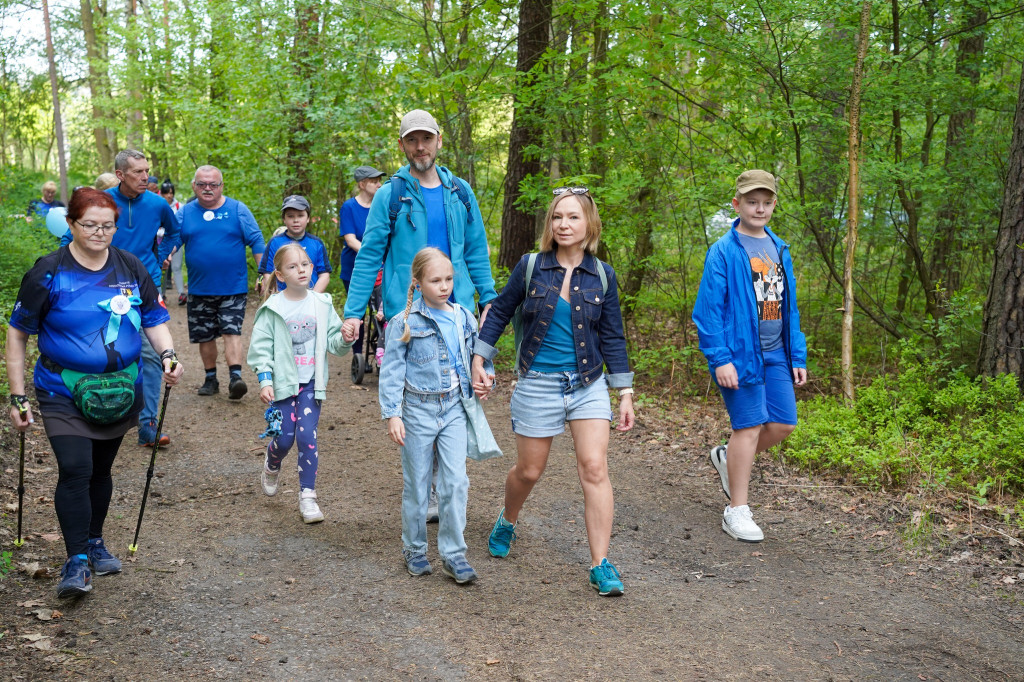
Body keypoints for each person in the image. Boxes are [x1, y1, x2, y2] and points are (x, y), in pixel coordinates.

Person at [6, 187, 184, 599]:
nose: (99, 232)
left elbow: (154, 318)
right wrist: (18, 396)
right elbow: (17, 334)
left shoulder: (130, 266)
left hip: (120, 390)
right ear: (70, 224)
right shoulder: (48, 272)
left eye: (107, 225)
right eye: (90, 225)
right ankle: (77, 561)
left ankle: (95, 540)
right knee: (75, 468)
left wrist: (169, 353)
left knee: (101, 471)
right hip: (61, 389)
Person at [471, 187, 635, 597]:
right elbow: (500, 312)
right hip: (538, 383)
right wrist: (480, 357)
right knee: (529, 471)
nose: (564, 224)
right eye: (558, 217)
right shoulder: (531, 268)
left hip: (587, 384)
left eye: (573, 217)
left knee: (594, 468)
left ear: (589, 224)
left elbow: (613, 336)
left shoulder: (602, 275)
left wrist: (625, 391)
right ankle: (508, 518)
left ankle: (600, 564)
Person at [692, 169, 808, 543]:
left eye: (766, 202)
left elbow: (789, 308)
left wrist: (797, 355)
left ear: (774, 205)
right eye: (752, 202)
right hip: (739, 354)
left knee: (784, 423)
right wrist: (719, 357)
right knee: (749, 426)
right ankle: (736, 510)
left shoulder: (779, 247)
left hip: (777, 353)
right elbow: (708, 312)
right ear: (736, 204)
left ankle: (730, 457)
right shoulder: (724, 251)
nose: (760, 208)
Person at [379, 247, 488, 584]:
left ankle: (454, 554)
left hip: (454, 408)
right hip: (416, 411)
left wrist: (485, 377)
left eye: (449, 279)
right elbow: (392, 372)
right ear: (418, 283)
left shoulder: (464, 317)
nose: (444, 286)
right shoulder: (404, 323)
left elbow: (477, 359)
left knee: (456, 482)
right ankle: (414, 548)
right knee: (418, 485)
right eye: (435, 280)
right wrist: (393, 415)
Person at [61, 150, 179, 448]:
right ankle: (99, 409)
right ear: (120, 175)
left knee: (152, 354)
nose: (145, 177)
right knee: (104, 349)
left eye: (147, 171)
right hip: (102, 290)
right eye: (138, 172)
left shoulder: (157, 204)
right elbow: (68, 238)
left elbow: (176, 233)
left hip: (145, 286)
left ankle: (148, 423)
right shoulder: (101, 203)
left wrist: (160, 257)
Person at [247, 242, 352, 523]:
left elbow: (333, 342)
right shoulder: (272, 308)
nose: (301, 270)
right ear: (280, 275)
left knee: (307, 437)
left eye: (305, 264)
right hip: (282, 385)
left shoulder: (322, 303)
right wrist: (265, 380)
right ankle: (272, 461)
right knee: (284, 438)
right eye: (293, 266)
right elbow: (260, 349)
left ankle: (308, 496)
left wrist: (345, 338)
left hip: (311, 383)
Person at [161, 165, 265, 399]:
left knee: (231, 332)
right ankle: (210, 379)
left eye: (213, 184)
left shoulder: (237, 209)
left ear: (221, 186)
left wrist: (264, 273)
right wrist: (165, 256)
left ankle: (235, 377)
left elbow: (257, 240)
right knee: (205, 336)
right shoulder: (185, 212)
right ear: (194, 186)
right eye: (202, 184)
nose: (207, 188)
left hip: (233, 288)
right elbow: (173, 239)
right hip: (199, 289)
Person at [339, 165, 385, 357]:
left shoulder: (381, 205)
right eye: (374, 181)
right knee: (359, 313)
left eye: (378, 180)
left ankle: (380, 347)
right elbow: (350, 240)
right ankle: (358, 355)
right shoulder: (349, 207)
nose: (378, 184)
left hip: (382, 267)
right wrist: (373, 254)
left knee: (381, 310)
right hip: (354, 267)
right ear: (362, 184)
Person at [257, 195, 331, 294]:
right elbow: (267, 274)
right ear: (284, 219)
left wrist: (313, 298)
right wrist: (277, 299)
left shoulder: (316, 243)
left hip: (310, 298)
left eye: (300, 215)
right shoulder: (275, 242)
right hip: (282, 300)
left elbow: (324, 275)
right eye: (290, 216)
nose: (296, 220)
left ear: (308, 218)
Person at [160, 180, 187, 306]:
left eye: (171, 193)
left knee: (176, 267)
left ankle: (182, 294)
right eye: (166, 193)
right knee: (162, 268)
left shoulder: (179, 207)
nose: (169, 195)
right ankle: (161, 294)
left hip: (176, 241)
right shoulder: (157, 204)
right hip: (160, 241)